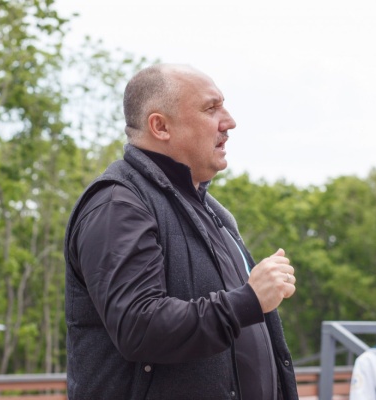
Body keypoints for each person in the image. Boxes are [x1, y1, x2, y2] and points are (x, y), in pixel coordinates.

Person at [64, 63, 299, 400]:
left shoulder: (213, 212)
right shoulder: (118, 205)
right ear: (160, 126)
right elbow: (139, 327)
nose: (229, 122)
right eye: (211, 108)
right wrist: (248, 300)